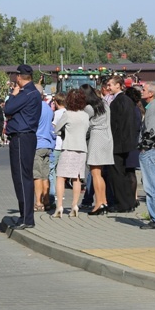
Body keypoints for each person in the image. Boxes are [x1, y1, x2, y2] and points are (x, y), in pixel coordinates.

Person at [4, 64, 42, 230]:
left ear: (19, 77)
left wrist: (13, 95)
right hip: (24, 137)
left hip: (22, 137)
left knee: (22, 178)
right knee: (21, 177)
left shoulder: (26, 93)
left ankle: (27, 218)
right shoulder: (33, 92)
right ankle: (24, 216)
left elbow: (8, 109)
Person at [53, 89, 90, 218]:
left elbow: (56, 129)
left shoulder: (67, 114)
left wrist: (62, 133)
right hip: (82, 148)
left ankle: (59, 207)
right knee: (77, 178)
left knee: (61, 177)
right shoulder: (85, 115)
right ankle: (74, 205)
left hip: (68, 147)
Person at [79, 84, 114, 215]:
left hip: (96, 138)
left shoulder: (89, 108)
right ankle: (103, 201)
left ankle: (99, 203)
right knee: (101, 173)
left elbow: (85, 124)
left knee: (95, 174)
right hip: (107, 137)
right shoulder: (104, 103)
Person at [106, 75, 138, 212]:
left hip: (118, 143)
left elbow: (114, 125)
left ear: (118, 85)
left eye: (110, 85)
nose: (108, 88)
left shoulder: (116, 102)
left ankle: (122, 204)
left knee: (117, 175)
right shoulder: (128, 101)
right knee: (126, 174)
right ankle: (130, 202)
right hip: (128, 142)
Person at [138, 82, 155, 229]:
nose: (141, 92)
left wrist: (144, 147)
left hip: (150, 151)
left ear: (151, 94)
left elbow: (152, 130)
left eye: (144, 90)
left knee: (151, 186)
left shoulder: (152, 108)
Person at [33, 85, 55, 212]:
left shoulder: (35, 108)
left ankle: (38, 202)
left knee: (37, 175)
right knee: (45, 175)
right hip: (48, 144)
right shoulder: (47, 108)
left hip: (37, 144)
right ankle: (46, 201)